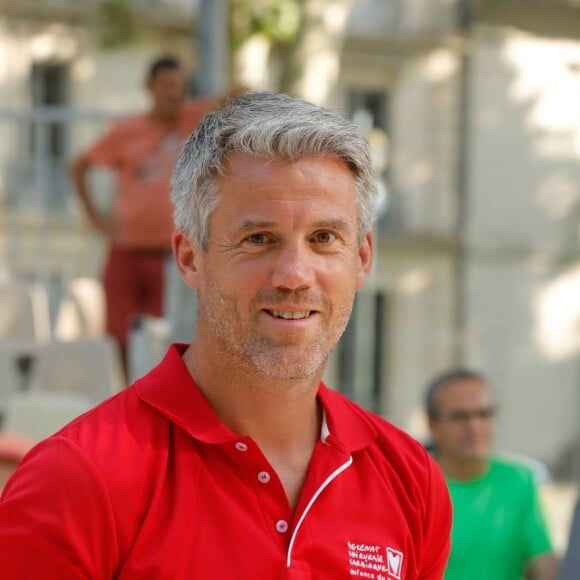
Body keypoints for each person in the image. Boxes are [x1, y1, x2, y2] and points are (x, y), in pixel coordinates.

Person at [0, 91, 452, 578]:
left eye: (324, 239)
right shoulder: (75, 479)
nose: (295, 275)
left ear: (362, 258)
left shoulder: (411, 478)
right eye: (259, 239)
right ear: (190, 258)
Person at [70, 55, 232, 368]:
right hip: (126, 251)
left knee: (167, 339)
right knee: (117, 338)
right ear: (149, 87)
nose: (174, 93)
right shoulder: (126, 130)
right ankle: (123, 403)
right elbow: (80, 165)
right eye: (167, 85)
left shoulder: (193, 121)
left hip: (171, 257)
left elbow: (239, 96)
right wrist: (96, 219)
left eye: (180, 87)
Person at [425, 369, 559, 580]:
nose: (474, 426)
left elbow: (544, 565)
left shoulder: (520, 480)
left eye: (484, 414)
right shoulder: (414, 483)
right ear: (432, 425)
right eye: (460, 417)